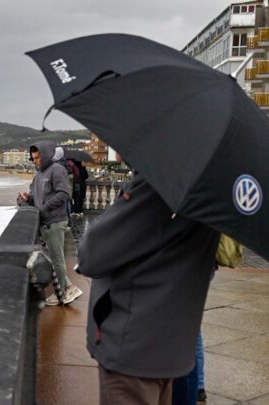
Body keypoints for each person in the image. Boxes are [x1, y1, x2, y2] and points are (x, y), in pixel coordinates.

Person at [76, 173, 219, 404]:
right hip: (168, 345)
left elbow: (91, 256)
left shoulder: (159, 184)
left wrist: (119, 207)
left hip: (134, 344)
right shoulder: (210, 188)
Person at [17, 141, 83, 306]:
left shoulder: (57, 170)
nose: (35, 161)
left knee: (57, 259)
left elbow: (64, 193)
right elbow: (36, 198)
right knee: (53, 259)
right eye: (33, 158)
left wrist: (44, 209)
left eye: (38, 157)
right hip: (45, 222)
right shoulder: (38, 175)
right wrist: (26, 198)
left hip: (55, 221)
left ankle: (67, 290)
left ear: (46, 155)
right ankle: (65, 288)